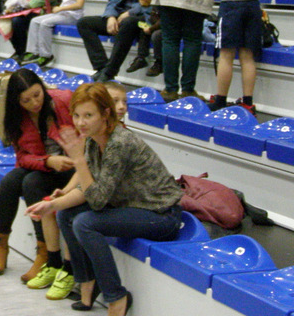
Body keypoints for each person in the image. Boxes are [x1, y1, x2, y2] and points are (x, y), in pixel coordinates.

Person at [26, 83, 184, 313]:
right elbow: (87, 190)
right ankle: (87, 282)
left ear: (105, 114)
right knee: (66, 215)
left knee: (85, 222)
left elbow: (97, 200)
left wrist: (78, 160)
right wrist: (51, 205)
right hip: (132, 207)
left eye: (88, 115)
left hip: (161, 215)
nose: (80, 123)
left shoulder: (120, 142)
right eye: (77, 115)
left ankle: (116, 296)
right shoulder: (93, 139)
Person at [0, 69, 75, 292]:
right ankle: (0, 245)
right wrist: (48, 161)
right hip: (48, 165)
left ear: (43, 88)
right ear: (16, 102)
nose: (34, 103)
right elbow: (22, 157)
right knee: (10, 181)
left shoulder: (63, 100)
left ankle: (44, 253)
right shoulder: (15, 117)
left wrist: (61, 160)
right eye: (26, 100)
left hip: (74, 168)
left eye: (37, 95)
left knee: (32, 183)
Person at [22, 0, 88, 68]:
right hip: (63, 13)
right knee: (34, 21)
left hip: (73, 16)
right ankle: (33, 52)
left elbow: (79, 4)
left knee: (45, 23)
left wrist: (60, 8)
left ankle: (46, 55)